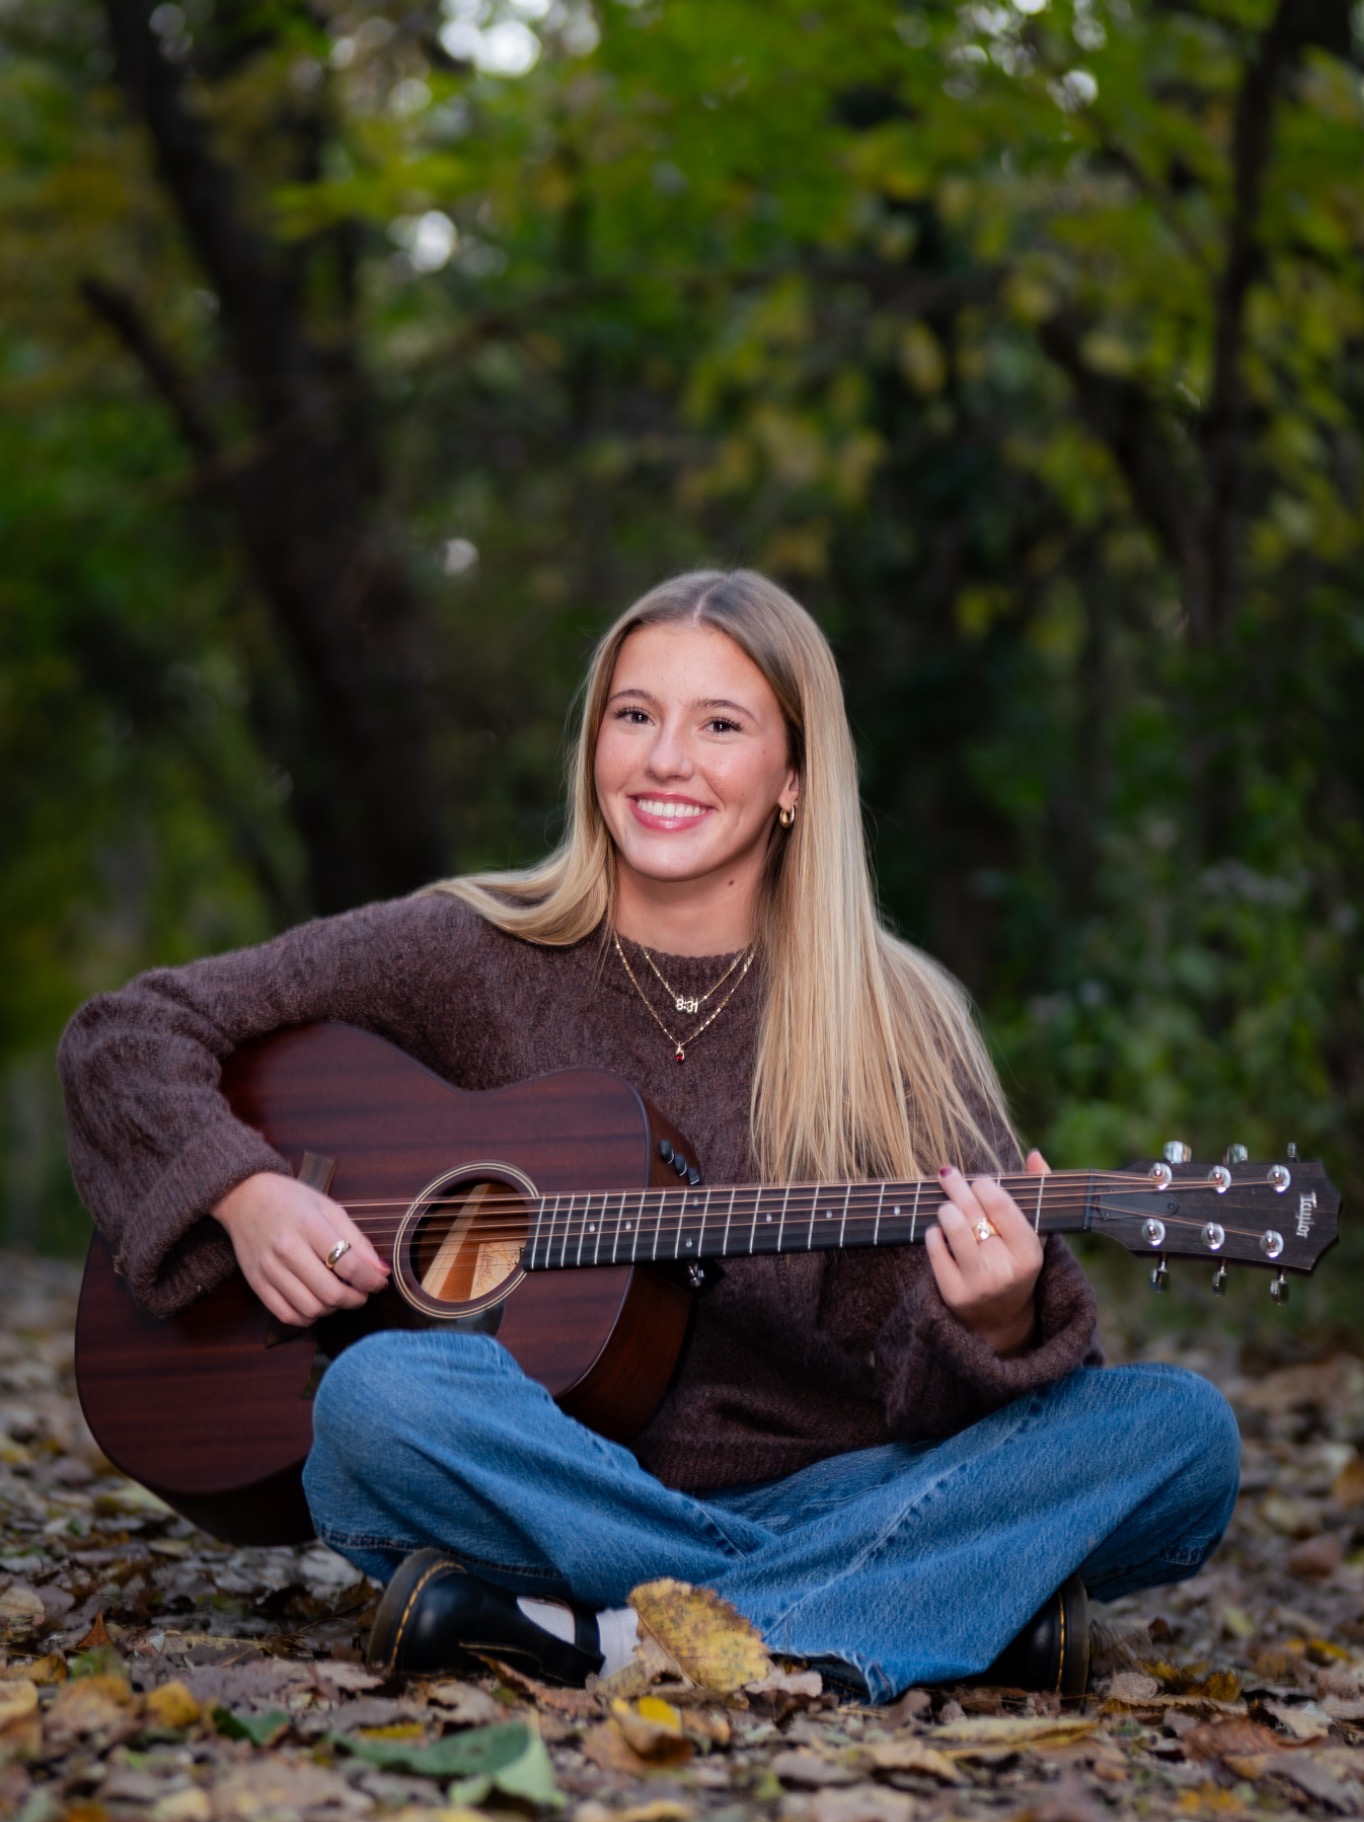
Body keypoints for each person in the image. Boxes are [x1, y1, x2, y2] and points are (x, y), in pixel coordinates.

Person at [60, 569, 1240, 1703]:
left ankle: (604, 1634)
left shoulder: (893, 1025)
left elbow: (952, 1416)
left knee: (1176, 1434)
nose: (665, 758)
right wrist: (247, 1190)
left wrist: (992, 1318)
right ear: (593, 749)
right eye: (634, 714)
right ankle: (910, 1605)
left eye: (719, 723)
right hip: (534, 1479)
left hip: (821, 1488)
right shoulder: (462, 950)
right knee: (377, 1396)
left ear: (792, 775)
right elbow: (126, 1031)